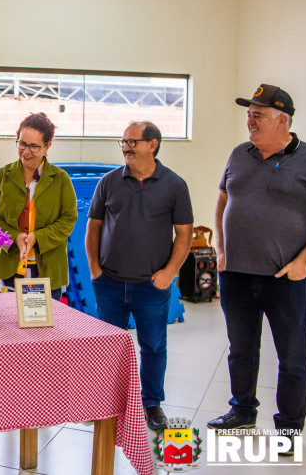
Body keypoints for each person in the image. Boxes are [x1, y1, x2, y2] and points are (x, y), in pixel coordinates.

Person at [207, 84, 306, 453]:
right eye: (248, 114)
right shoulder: (239, 155)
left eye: (258, 115)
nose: (249, 121)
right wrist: (219, 247)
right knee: (241, 350)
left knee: (293, 356)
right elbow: (222, 201)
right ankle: (242, 411)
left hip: (286, 278)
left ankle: (288, 430)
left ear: (282, 120)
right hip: (236, 275)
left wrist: (303, 262)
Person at [85, 121, 193, 431]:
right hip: (109, 283)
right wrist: (95, 269)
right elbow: (93, 227)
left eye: (132, 141)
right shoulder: (108, 182)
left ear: (153, 144)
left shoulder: (174, 185)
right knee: (108, 346)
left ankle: (151, 403)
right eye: (123, 141)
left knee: (154, 346)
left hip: (151, 285)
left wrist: (169, 274)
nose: (126, 147)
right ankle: (104, 403)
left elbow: (184, 235)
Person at [0, 113, 77, 299]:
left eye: (34, 146)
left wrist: (39, 237)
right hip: (9, 267)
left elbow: (68, 220)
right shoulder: (2, 175)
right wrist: (13, 237)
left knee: (43, 325)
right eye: (22, 144)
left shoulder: (60, 179)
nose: (26, 151)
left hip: (48, 270)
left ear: (47, 145)